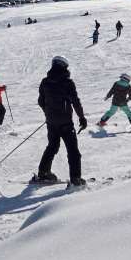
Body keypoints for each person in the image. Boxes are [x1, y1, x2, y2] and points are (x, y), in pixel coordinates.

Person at [34, 56, 87, 186]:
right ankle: (75, 179)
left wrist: (49, 113)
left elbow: (41, 101)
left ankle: (44, 172)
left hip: (51, 121)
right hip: (65, 122)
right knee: (73, 150)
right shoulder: (67, 82)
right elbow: (75, 101)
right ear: (64, 67)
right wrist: (82, 117)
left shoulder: (45, 81)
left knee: (52, 146)